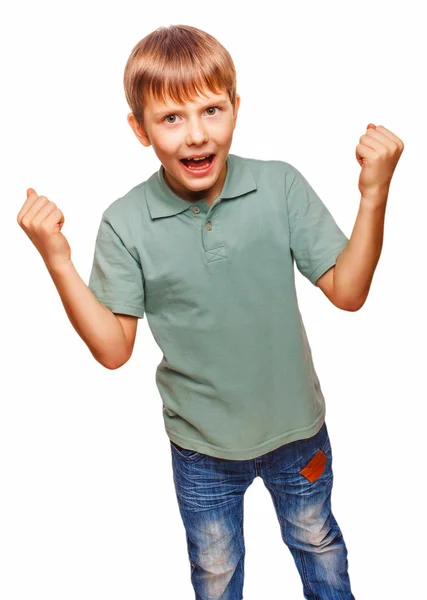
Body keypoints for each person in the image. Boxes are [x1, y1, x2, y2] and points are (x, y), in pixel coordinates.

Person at [17, 23, 404, 600]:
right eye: (171, 118)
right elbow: (113, 350)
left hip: (297, 431)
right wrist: (57, 259)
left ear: (236, 108)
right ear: (139, 129)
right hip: (201, 448)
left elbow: (347, 292)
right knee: (216, 575)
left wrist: (373, 195)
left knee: (320, 549)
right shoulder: (126, 223)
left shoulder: (279, 186)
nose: (196, 135)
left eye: (211, 110)